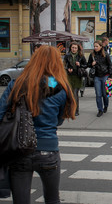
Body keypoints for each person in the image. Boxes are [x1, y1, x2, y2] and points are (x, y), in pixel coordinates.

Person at [0, 45, 76, 204]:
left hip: (20, 150)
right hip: (48, 150)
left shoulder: (18, 83)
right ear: (56, 62)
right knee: (52, 199)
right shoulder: (58, 85)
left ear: (34, 61)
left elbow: (1, 114)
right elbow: (59, 120)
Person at [87, 40, 112, 117]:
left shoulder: (105, 54)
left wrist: (110, 77)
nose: (95, 48)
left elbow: (110, 65)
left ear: (101, 47)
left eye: (97, 46)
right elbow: (88, 64)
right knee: (98, 94)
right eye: (94, 46)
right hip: (97, 76)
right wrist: (92, 64)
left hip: (105, 75)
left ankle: (106, 106)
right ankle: (100, 109)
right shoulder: (92, 55)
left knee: (105, 94)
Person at [64, 42, 87, 116]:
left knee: (75, 93)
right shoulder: (67, 56)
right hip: (69, 77)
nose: (74, 49)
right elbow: (64, 65)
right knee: (69, 94)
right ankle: (70, 109)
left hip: (77, 76)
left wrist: (80, 65)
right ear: (70, 48)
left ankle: (76, 110)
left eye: (75, 48)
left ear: (78, 49)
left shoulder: (81, 56)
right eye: (73, 47)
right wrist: (67, 69)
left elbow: (85, 65)